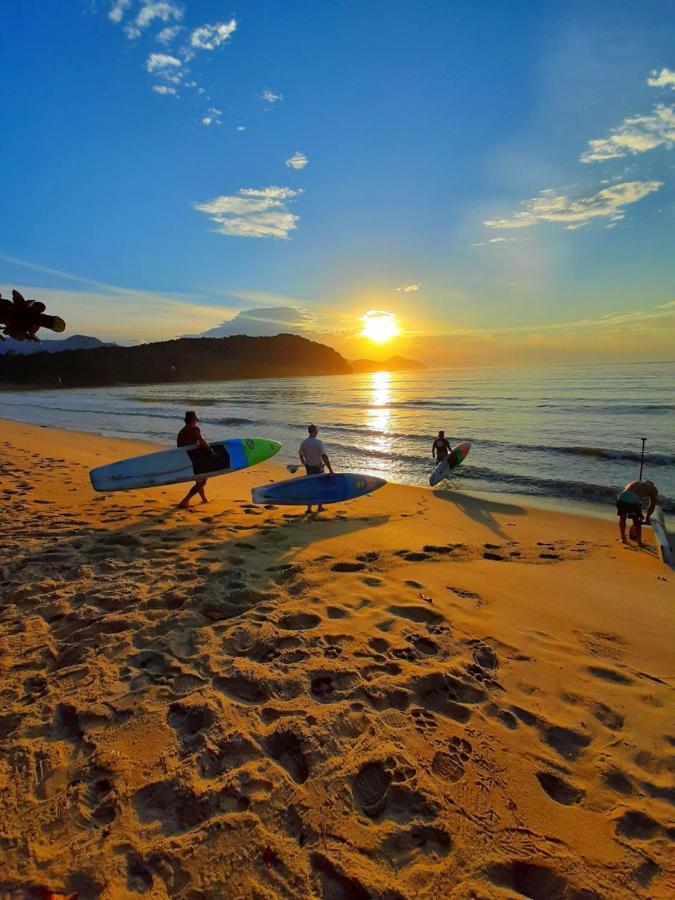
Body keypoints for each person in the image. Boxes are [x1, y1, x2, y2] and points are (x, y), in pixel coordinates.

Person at [177, 411, 215, 508]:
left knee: (199, 481)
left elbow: (181, 446)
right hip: (194, 459)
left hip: (184, 458)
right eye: (196, 418)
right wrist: (211, 452)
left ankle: (204, 499)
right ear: (194, 419)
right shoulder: (195, 429)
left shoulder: (182, 431)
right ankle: (185, 501)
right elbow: (202, 442)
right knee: (202, 482)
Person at [298, 424, 334, 514]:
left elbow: (300, 453)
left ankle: (309, 508)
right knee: (320, 487)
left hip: (309, 467)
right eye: (317, 430)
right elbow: (324, 456)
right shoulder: (318, 442)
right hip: (318, 467)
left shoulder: (304, 442)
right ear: (314, 431)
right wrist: (330, 469)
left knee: (310, 487)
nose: (317, 432)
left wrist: (303, 462)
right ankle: (320, 506)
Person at [615, 479, 658, 547]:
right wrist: (647, 518)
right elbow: (652, 505)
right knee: (636, 521)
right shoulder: (653, 489)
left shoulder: (634, 482)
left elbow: (628, 494)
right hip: (633, 498)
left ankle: (623, 538)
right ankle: (639, 542)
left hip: (621, 496)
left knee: (622, 519)